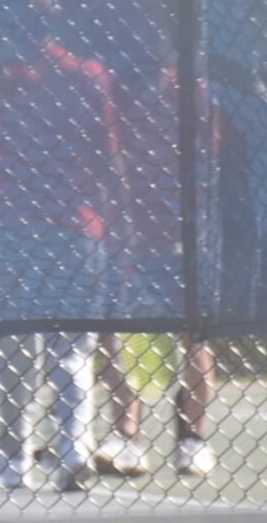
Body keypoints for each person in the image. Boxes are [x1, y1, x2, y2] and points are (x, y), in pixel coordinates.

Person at [0, 0, 111, 493]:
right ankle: (70, 449)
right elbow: (108, 154)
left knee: (19, 350)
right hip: (68, 229)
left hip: (27, 230)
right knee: (68, 349)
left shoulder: (8, 78)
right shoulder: (85, 76)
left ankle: (19, 456)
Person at [94, 60, 218, 478]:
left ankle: (192, 441)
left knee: (192, 335)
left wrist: (201, 224)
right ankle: (126, 437)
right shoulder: (113, 90)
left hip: (185, 240)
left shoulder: (193, 93)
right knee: (117, 335)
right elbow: (104, 157)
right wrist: (121, 222)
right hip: (124, 236)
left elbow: (215, 160)